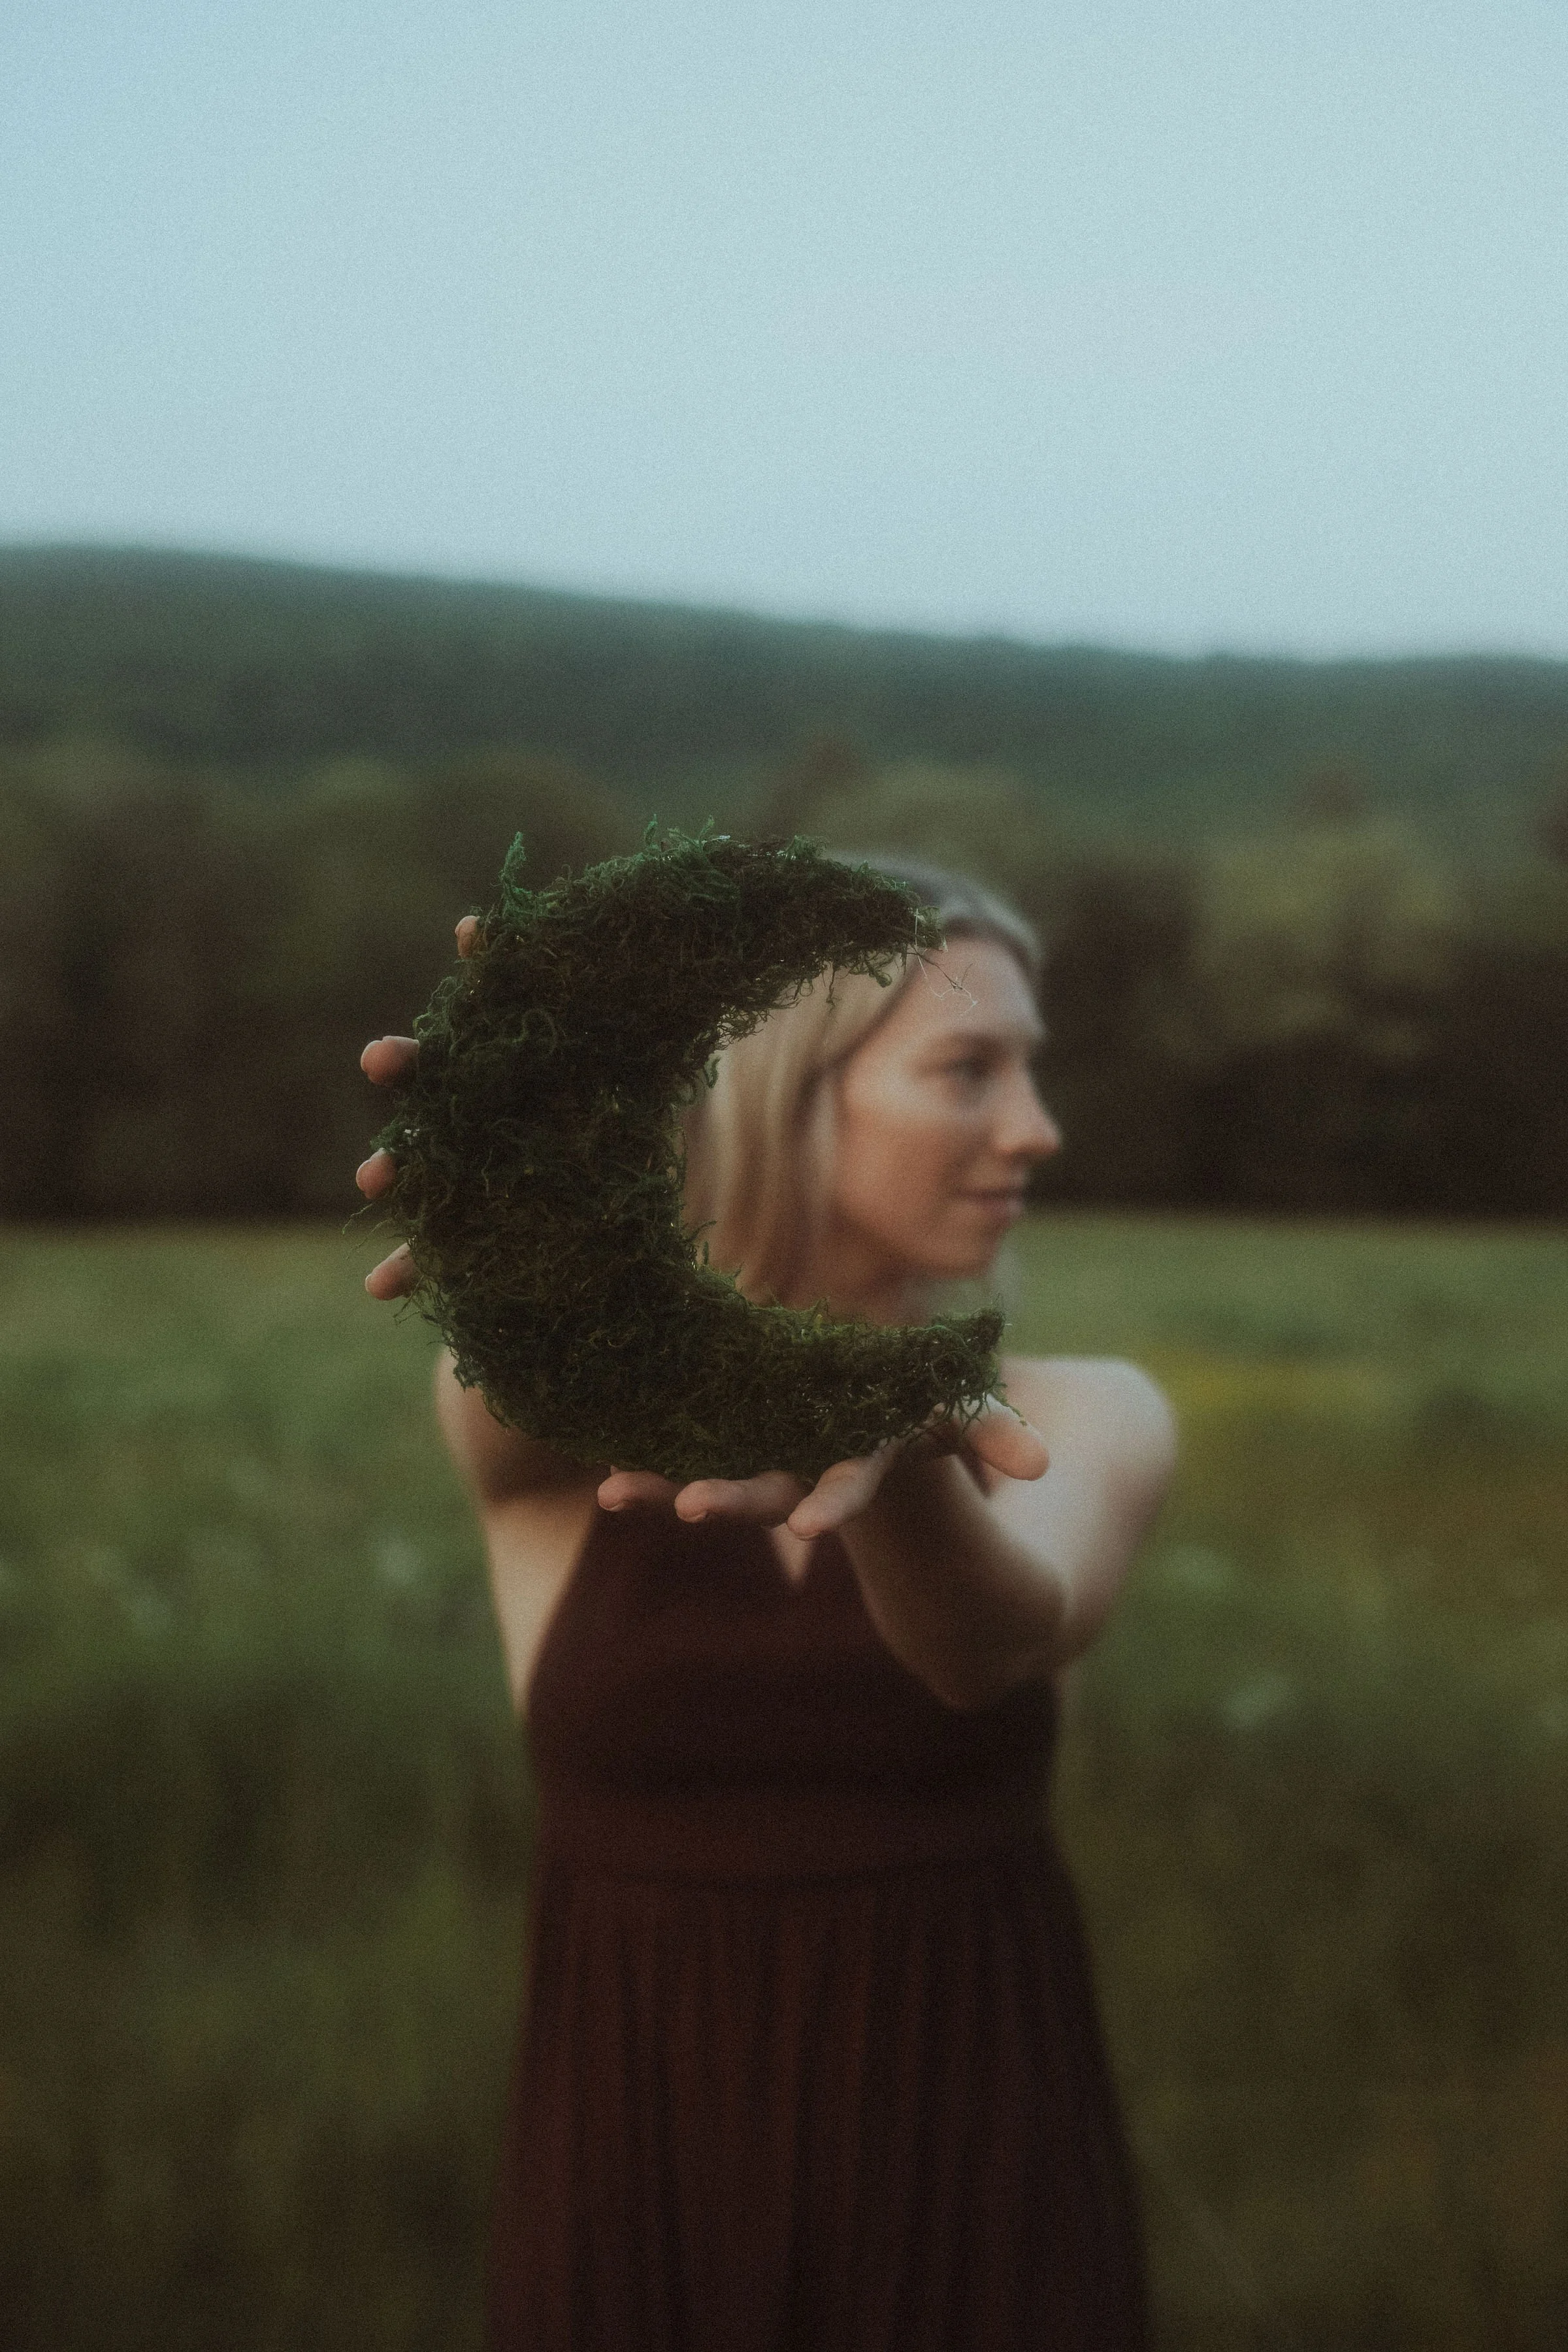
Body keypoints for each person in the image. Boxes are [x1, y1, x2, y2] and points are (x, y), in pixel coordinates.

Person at [356, 857, 1175, 2352]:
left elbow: (987, 1649)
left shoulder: (1082, 1415)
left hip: (971, 2169)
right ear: (792, 1090)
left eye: (1033, 1074)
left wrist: (904, 1451)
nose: (1034, 1131)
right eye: (969, 1070)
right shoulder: (574, 1429)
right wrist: (516, 1203)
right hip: (632, 2167)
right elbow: (511, 1372)